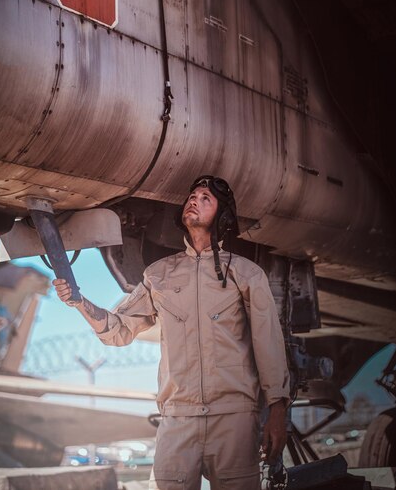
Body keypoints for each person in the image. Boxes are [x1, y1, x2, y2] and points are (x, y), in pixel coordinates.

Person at [53, 175, 290, 489]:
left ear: (223, 217)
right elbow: (119, 331)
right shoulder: (158, 275)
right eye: (193, 195)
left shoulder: (247, 274)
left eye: (206, 198)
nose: (194, 200)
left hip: (233, 417)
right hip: (178, 418)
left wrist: (278, 411)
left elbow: (269, 344)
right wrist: (79, 302)